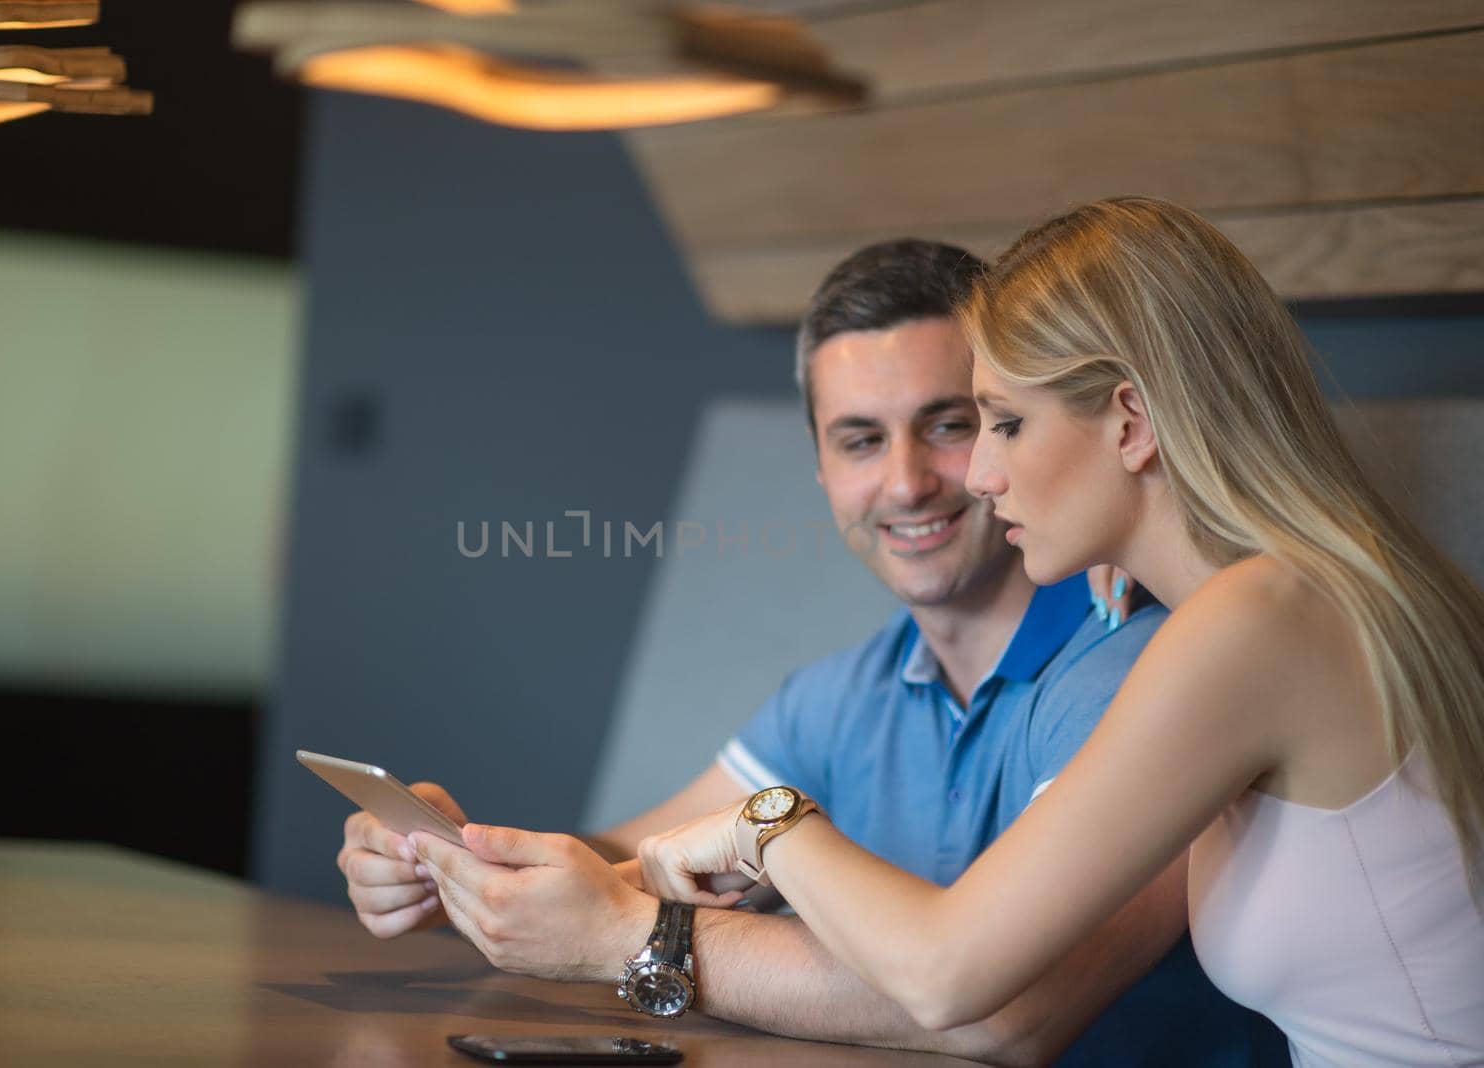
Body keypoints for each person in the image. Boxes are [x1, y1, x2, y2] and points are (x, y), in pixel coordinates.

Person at [348, 240, 1285, 1064]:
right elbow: (628, 852)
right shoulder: (845, 694)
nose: (909, 482)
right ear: (822, 469)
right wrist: (461, 860)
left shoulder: (1143, 660)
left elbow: (1005, 1015)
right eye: (860, 440)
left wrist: (632, 938)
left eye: (954, 424)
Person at [634, 198, 1484, 1067]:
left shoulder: (1253, 623)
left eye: (1000, 423)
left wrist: (767, 825)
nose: (982, 475)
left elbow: (948, 975)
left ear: (1130, 422)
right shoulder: (1296, 599)